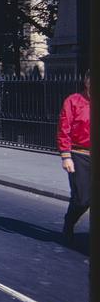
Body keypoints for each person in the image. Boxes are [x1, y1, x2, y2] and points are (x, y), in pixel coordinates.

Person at [57, 70, 90, 244]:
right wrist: (66, 155)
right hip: (80, 155)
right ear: (87, 81)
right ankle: (69, 223)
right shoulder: (74, 101)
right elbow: (64, 129)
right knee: (82, 200)